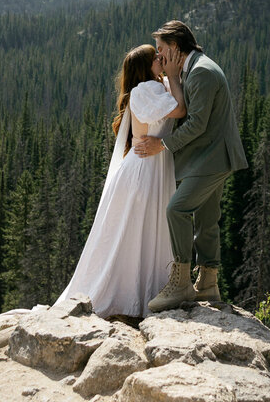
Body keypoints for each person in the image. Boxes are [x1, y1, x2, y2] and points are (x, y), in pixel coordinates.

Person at [53, 44, 186, 318]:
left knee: (145, 229)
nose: (160, 59)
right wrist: (173, 75)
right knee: (138, 231)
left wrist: (170, 76)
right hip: (144, 170)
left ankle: (147, 292)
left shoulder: (153, 86)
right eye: (155, 57)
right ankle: (133, 297)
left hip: (153, 165)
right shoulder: (144, 90)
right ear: (146, 66)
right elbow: (179, 110)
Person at [135, 20, 248, 312]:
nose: (158, 56)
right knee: (207, 218)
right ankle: (208, 284)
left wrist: (161, 145)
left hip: (213, 157)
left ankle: (181, 282)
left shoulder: (201, 73)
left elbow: (197, 123)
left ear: (174, 47)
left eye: (161, 50)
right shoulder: (193, 69)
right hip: (211, 156)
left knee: (177, 209)